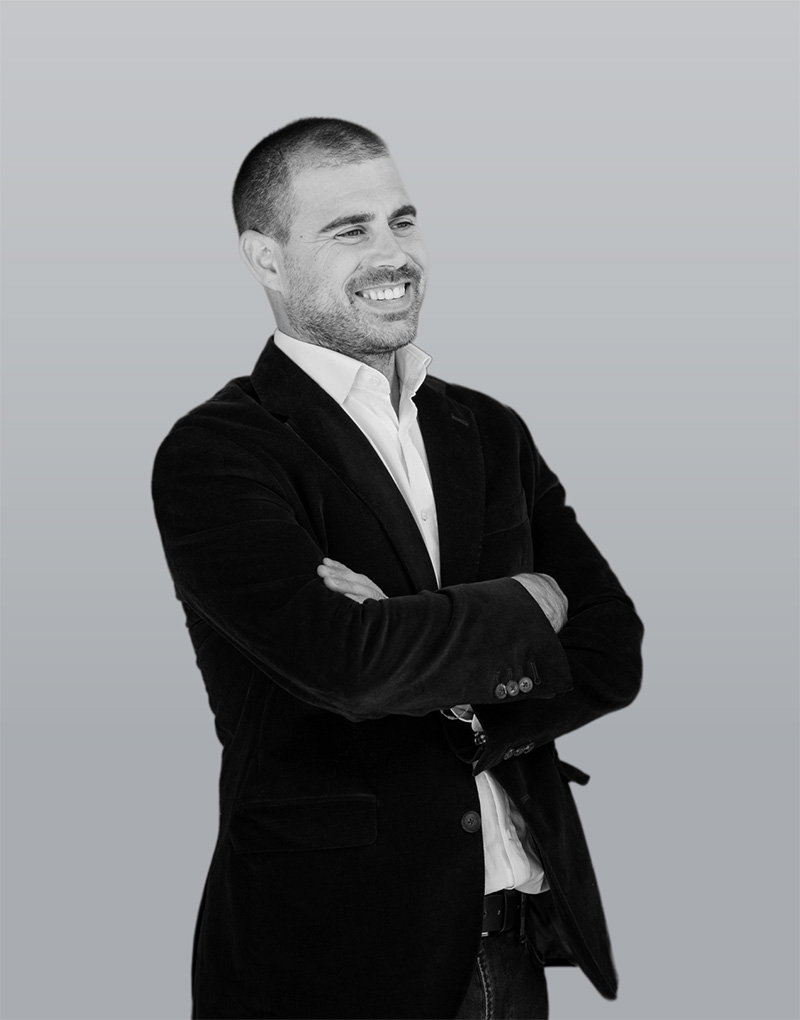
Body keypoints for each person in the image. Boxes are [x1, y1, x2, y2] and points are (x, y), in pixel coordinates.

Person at [151, 117, 644, 1020]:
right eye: (350, 229)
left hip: (512, 940)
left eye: (402, 221)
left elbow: (613, 649)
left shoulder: (487, 429)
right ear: (266, 258)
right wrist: (528, 604)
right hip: (328, 960)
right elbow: (345, 663)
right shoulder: (219, 454)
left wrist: (412, 644)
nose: (393, 254)